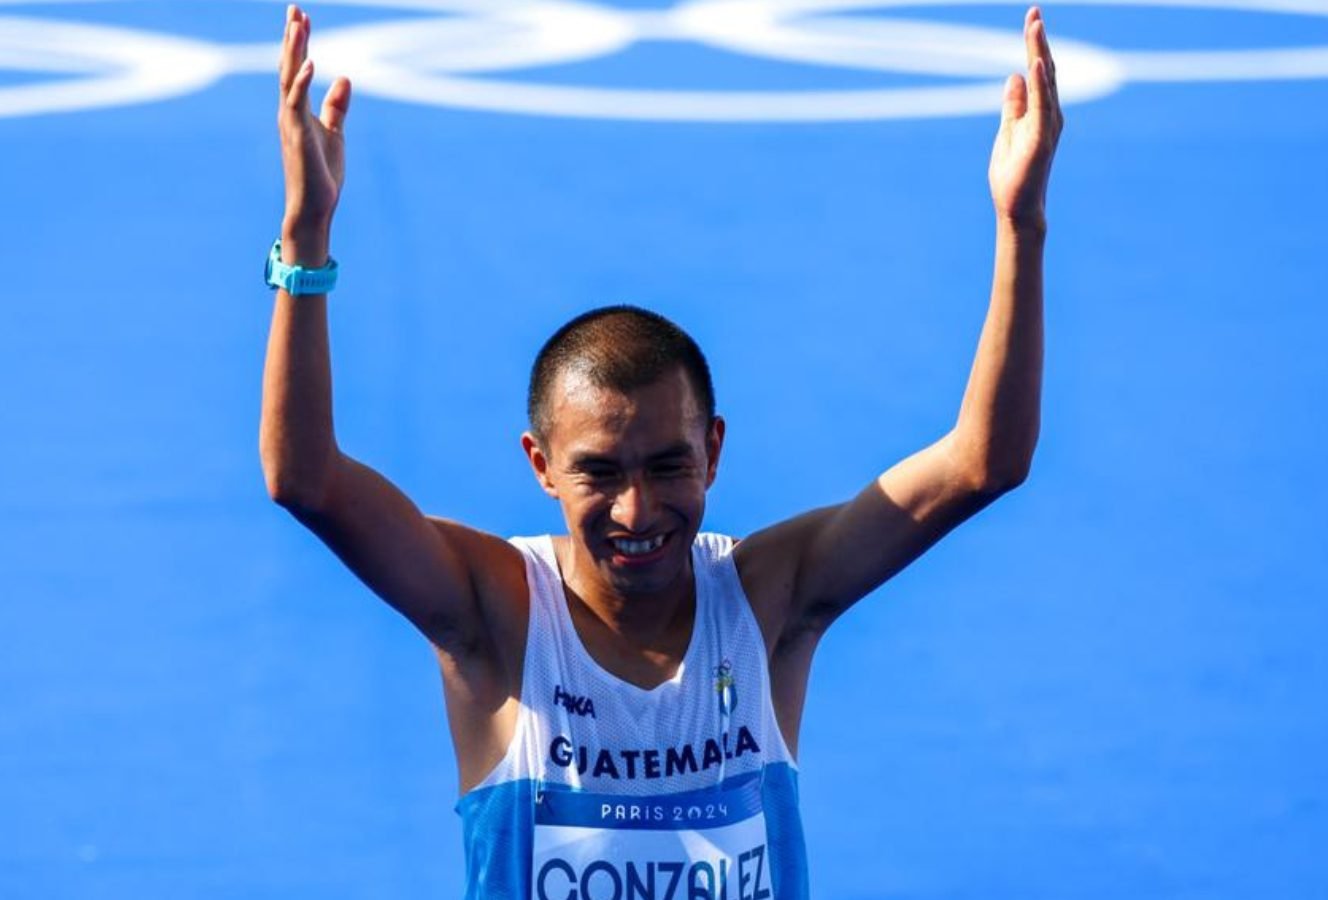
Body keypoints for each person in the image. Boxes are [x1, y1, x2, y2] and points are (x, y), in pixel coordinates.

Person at [260, 4, 1061, 897]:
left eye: (667, 466)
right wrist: (306, 240)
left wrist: (1019, 224)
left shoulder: (768, 600)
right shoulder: (495, 615)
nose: (637, 512)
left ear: (713, 451)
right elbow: (305, 480)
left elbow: (985, 461)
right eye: (599, 473)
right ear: (540, 464)